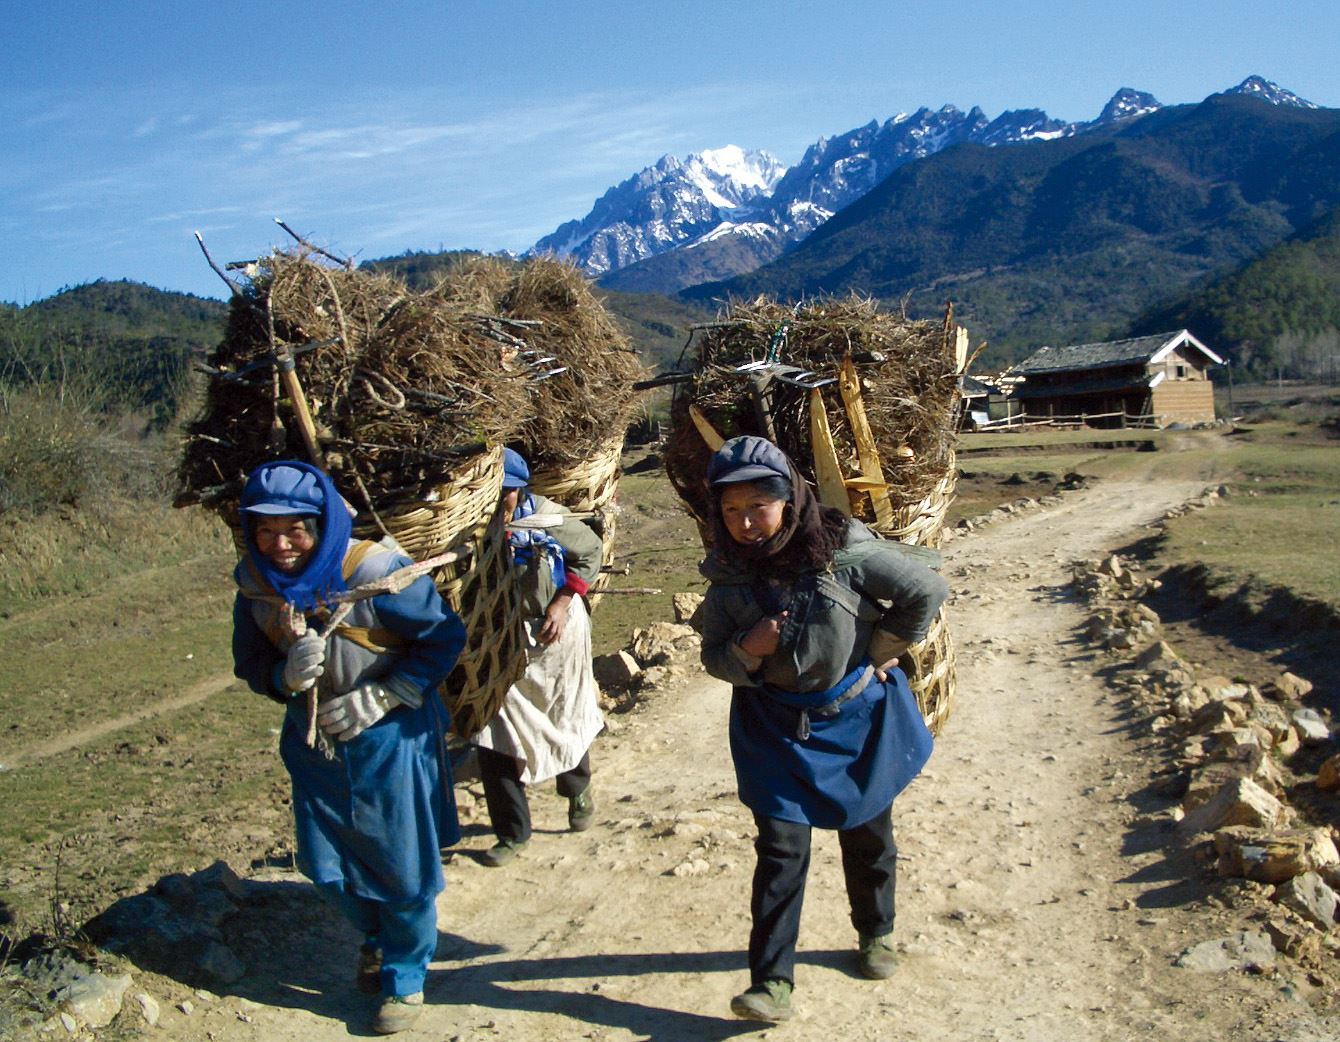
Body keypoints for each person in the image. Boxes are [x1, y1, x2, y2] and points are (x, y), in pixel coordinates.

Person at [696, 435, 949, 1023]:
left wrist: (879, 651)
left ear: (788, 499)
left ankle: (876, 933)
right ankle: (770, 983)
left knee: (867, 833)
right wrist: (748, 649)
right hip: (772, 728)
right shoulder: (727, 575)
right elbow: (713, 657)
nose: (744, 523)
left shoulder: (841, 551)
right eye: (730, 511)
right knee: (780, 850)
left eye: (758, 507)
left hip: (854, 721)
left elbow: (926, 590)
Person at [230, 460, 466, 1035]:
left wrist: (387, 694)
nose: (280, 545)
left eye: (295, 530)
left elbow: (444, 637)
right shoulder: (257, 587)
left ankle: (405, 976)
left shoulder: (377, 572)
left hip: (390, 741)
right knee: (325, 867)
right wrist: (283, 676)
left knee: (403, 867)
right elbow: (250, 662)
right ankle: (377, 937)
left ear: (322, 524)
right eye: (266, 531)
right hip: (316, 747)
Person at [472, 448, 605, 866]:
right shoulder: (471, 528)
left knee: (563, 714)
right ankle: (512, 832)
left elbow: (591, 552)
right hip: (499, 641)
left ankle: (577, 789)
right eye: (492, 494)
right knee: (492, 730)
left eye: (507, 493)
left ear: (521, 490)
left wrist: (562, 603)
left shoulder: (548, 518)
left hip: (554, 635)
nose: (500, 502)